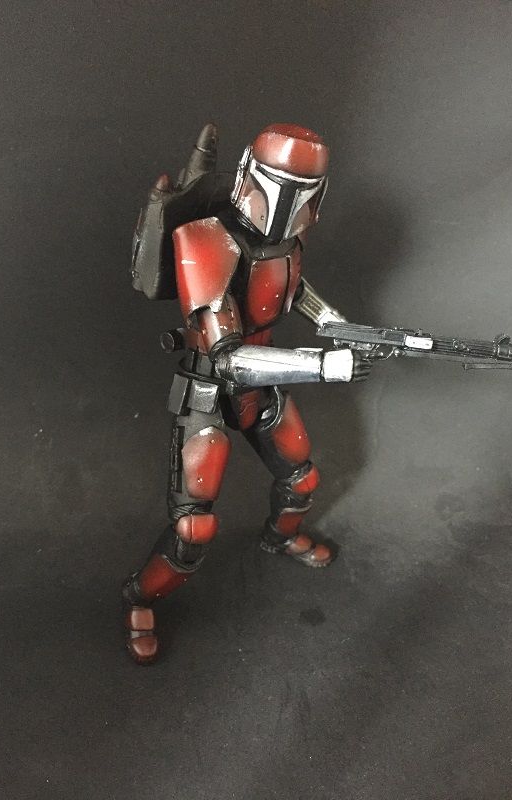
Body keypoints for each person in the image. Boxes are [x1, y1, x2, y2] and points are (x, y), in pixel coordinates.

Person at [123, 124, 371, 664]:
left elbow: (291, 290)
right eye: (282, 186)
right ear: (249, 177)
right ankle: (140, 597)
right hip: (209, 391)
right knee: (193, 527)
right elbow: (227, 357)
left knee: (301, 479)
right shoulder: (203, 239)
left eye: (305, 192)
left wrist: (336, 324)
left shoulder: (290, 241)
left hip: (264, 384)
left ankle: (279, 537)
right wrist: (323, 365)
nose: (290, 205)